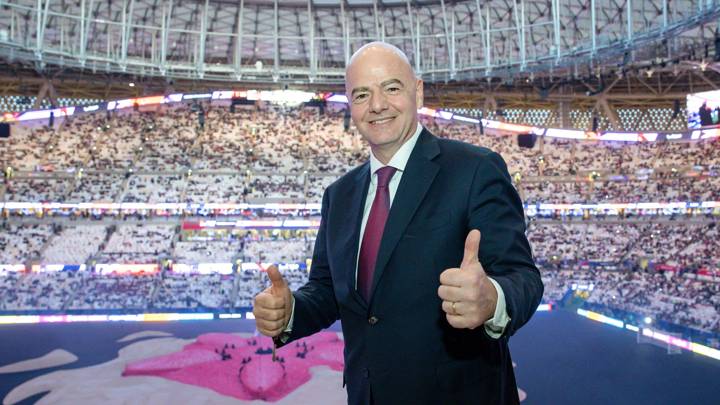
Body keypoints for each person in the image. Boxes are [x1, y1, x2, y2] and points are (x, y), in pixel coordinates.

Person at [253, 42, 543, 404]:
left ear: (417, 91)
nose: (377, 105)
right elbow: (328, 290)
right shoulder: (339, 195)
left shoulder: (475, 170)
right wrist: (290, 310)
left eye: (391, 88)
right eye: (362, 94)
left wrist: (492, 300)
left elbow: (523, 277)